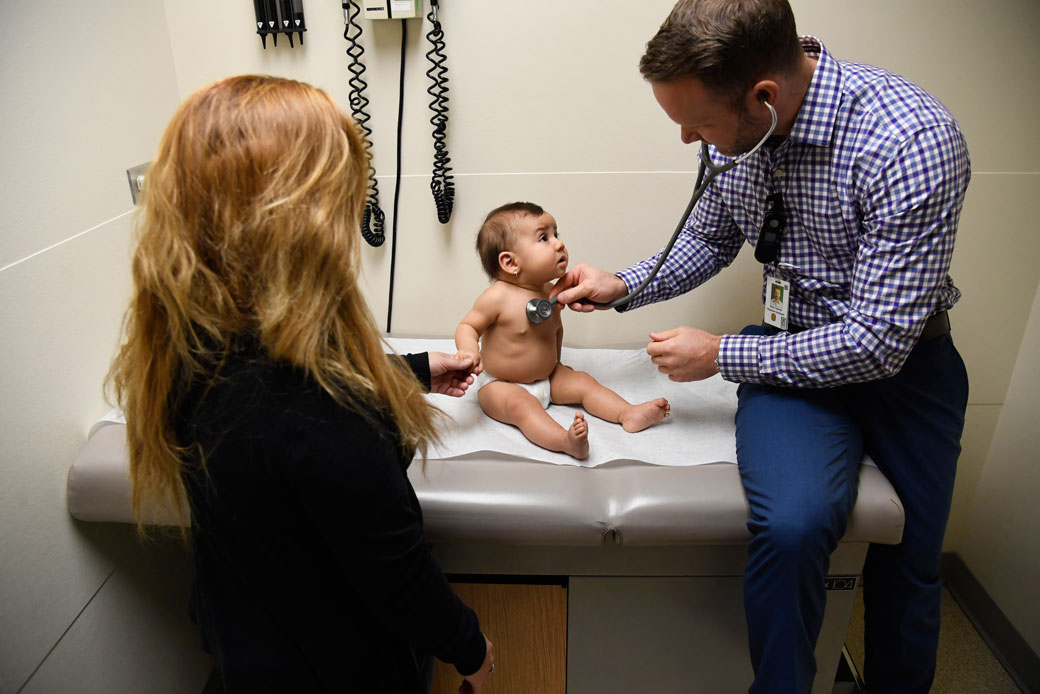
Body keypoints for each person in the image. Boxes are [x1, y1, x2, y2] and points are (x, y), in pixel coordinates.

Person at [551, 1, 970, 692]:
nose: (690, 139)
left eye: (699, 122)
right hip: (790, 358)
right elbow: (709, 238)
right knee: (794, 528)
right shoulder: (734, 137)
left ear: (764, 98)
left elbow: (876, 344)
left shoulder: (910, 140)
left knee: (910, 565)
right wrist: (622, 283)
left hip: (906, 371)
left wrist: (720, 355)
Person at [107, 75, 494, 693]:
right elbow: (394, 572)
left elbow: (273, 396)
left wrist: (416, 370)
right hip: (338, 671)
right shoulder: (326, 412)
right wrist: (469, 646)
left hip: (246, 648)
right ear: (294, 217)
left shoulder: (190, 348)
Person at [455, 202, 670, 460]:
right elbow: (468, 326)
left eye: (557, 234)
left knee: (584, 383)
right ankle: (565, 441)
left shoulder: (551, 291)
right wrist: (468, 351)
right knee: (521, 406)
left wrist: (556, 365)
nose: (558, 244)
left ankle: (627, 413)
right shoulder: (496, 297)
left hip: (549, 376)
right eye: (544, 238)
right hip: (501, 384)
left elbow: (554, 330)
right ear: (510, 262)